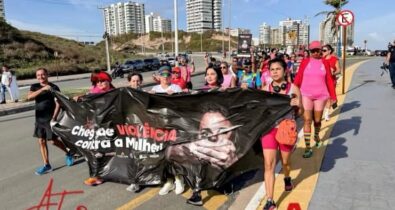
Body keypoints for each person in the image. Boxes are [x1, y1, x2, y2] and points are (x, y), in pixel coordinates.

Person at [164, 103, 239, 206]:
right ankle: (197, 193)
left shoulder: (234, 150)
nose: (213, 137)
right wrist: (177, 150)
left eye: (222, 132)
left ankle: (222, 184)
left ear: (235, 133)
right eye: (206, 133)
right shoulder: (198, 150)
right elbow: (171, 152)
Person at [261, 58, 303, 210]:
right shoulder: (265, 90)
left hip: (286, 129)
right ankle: (270, 200)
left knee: (285, 162)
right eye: (272, 70)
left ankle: (286, 177)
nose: (275, 72)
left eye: (278, 69)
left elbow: (301, 112)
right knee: (269, 164)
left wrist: (297, 105)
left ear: (285, 70)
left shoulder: (294, 89)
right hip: (269, 130)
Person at [293, 41, 337, 158]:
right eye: (313, 51)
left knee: (317, 121)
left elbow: (329, 79)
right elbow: (298, 78)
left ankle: (316, 136)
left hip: (321, 95)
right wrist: (293, 92)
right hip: (306, 94)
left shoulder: (325, 63)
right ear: (310, 51)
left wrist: (333, 96)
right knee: (307, 120)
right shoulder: (305, 62)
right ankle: (308, 147)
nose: (316, 53)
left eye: (318, 50)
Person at [27, 68, 74, 175]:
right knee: (41, 141)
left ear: (47, 75)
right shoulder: (34, 87)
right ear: (36, 77)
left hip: (50, 118)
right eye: (38, 75)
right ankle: (46, 165)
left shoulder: (54, 87)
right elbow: (29, 97)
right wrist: (42, 90)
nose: (41, 77)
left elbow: (59, 103)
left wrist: (54, 117)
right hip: (39, 119)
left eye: (43, 74)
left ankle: (69, 153)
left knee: (53, 141)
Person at [150, 66, 184, 195]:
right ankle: (169, 181)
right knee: (163, 153)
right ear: (158, 77)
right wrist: (150, 95)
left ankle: (179, 179)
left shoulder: (176, 88)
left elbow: (182, 104)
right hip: (159, 126)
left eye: (167, 74)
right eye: (162, 75)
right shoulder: (155, 89)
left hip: (173, 124)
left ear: (171, 76)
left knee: (174, 153)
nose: (165, 77)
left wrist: (174, 96)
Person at [83, 71, 115, 186]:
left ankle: (107, 173)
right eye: (98, 81)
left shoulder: (114, 93)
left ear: (109, 82)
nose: (101, 83)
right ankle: (96, 176)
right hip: (97, 127)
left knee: (111, 151)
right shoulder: (92, 94)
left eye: (103, 81)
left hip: (112, 127)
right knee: (95, 151)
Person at [322, 44, 340, 121]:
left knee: (329, 97)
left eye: (324, 50)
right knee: (323, 98)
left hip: (331, 81)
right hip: (321, 81)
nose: (322, 52)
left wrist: (333, 73)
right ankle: (329, 106)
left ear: (329, 51)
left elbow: (339, 70)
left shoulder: (334, 59)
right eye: (322, 50)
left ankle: (326, 113)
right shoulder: (320, 59)